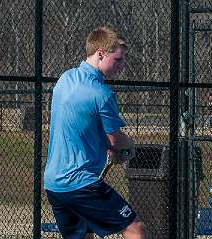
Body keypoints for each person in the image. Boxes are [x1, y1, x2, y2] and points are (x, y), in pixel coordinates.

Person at [43, 27, 146, 239]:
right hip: (80, 184)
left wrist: (107, 147)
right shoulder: (103, 93)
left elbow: (80, 124)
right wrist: (129, 147)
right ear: (100, 53)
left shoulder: (64, 79)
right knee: (135, 228)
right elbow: (115, 140)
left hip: (54, 184)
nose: (122, 66)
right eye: (117, 59)